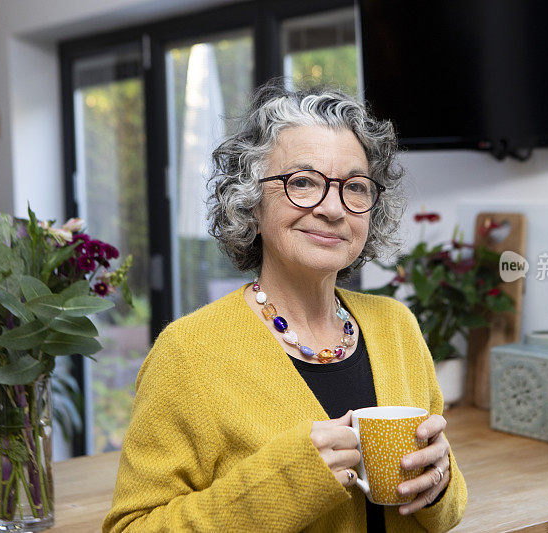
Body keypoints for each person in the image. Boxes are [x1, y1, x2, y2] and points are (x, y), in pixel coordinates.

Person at [102, 80, 467, 532]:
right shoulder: (187, 354)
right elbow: (131, 528)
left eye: (354, 187)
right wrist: (285, 481)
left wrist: (441, 481)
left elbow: (445, 509)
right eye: (303, 182)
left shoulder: (396, 326)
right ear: (250, 201)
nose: (333, 208)